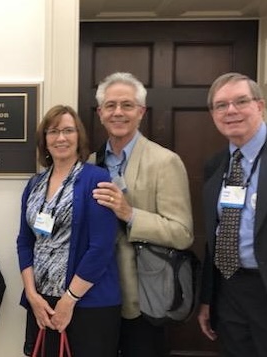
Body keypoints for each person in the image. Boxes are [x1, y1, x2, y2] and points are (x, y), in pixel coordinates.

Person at [91, 72, 194, 357]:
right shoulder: (90, 162)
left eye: (127, 105)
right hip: (96, 296)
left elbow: (182, 233)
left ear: (141, 112)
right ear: (100, 113)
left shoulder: (165, 162)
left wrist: (130, 213)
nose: (118, 112)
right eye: (110, 106)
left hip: (144, 297)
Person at [17, 105, 122, 356]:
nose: (61, 138)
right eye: (53, 132)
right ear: (44, 140)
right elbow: (24, 241)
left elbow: (101, 248)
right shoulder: (35, 183)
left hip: (87, 304)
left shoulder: (96, 179)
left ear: (79, 137)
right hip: (42, 304)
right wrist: (32, 295)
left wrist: (69, 300)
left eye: (68, 130)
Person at [197, 72, 267, 357]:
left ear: (260, 105)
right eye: (221, 105)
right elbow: (213, 236)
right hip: (228, 290)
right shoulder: (216, 165)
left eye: (241, 101)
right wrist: (208, 298)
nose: (231, 111)